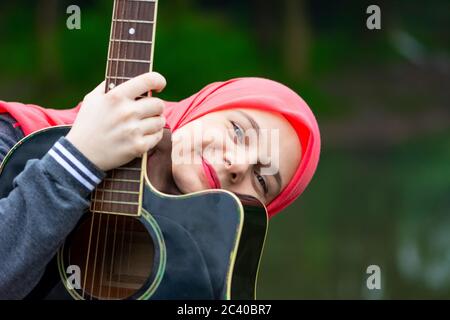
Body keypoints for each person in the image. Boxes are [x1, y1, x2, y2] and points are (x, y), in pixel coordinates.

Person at [0, 72, 321, 299]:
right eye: (238, 132)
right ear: (201, 109)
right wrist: (78, 160)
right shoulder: (17, 141)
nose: (237, 164)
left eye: (261, 179)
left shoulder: (210, 286)